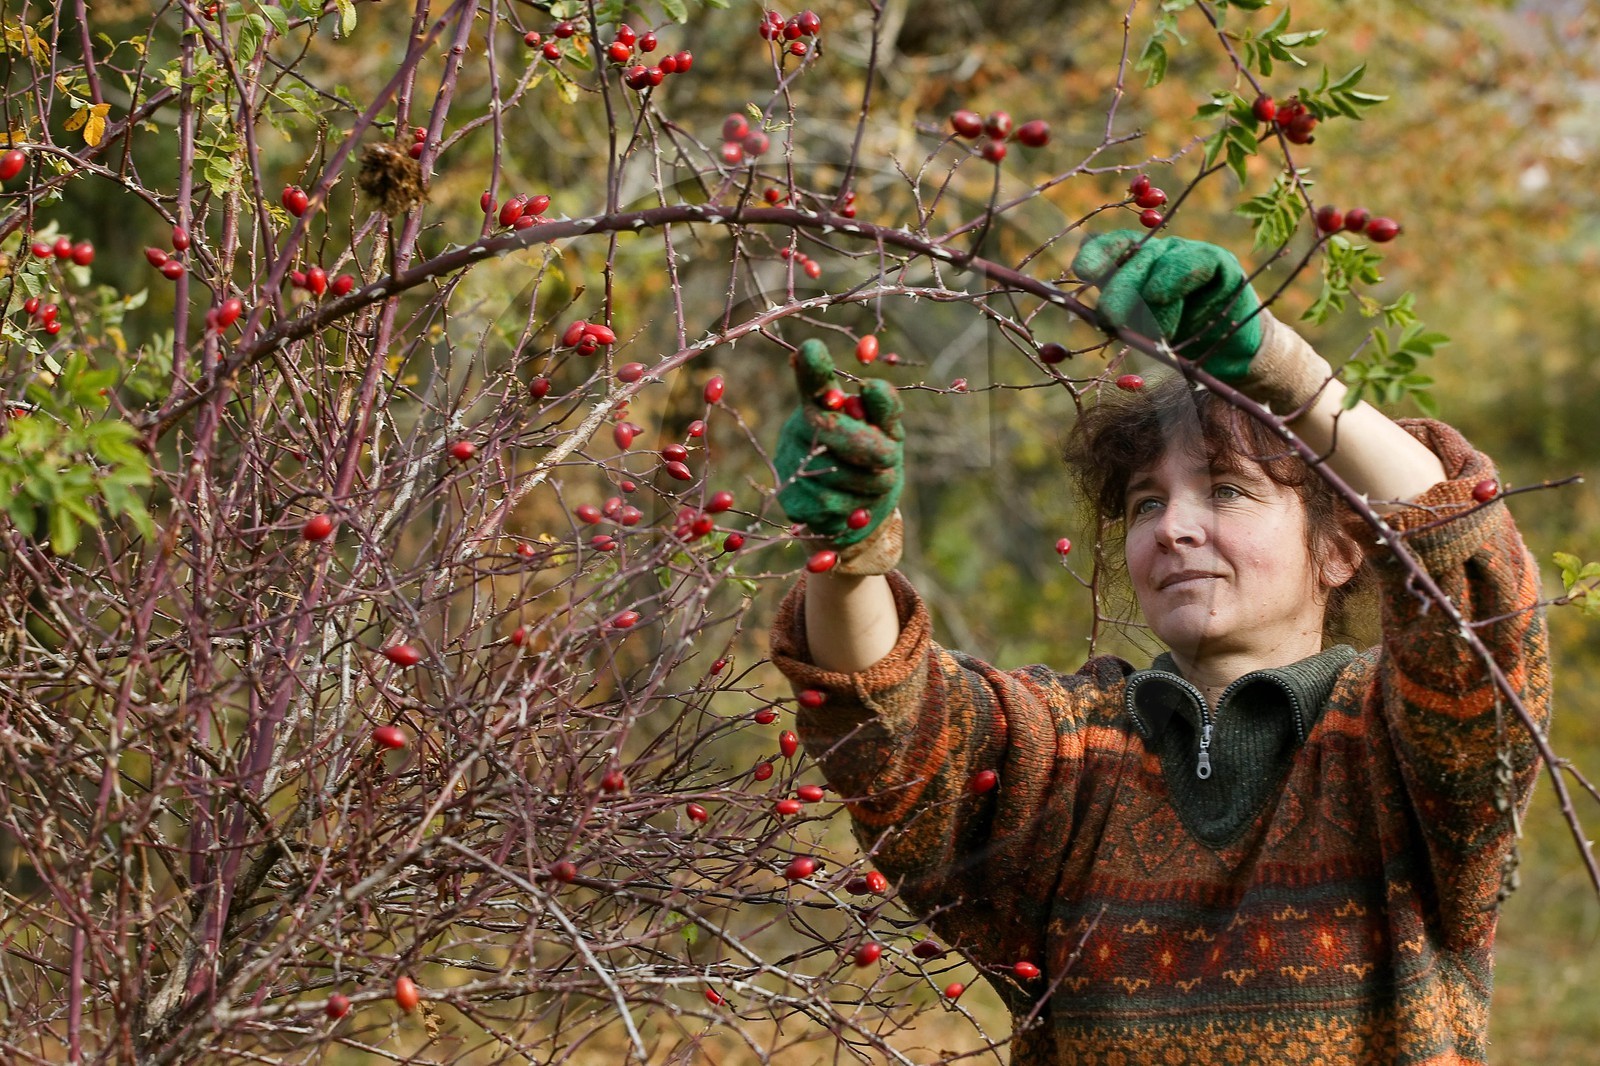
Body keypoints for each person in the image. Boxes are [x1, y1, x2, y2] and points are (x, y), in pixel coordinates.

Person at [767, 232, 1550, 1065]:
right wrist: (845, 560)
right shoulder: (1070, 754)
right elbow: (890, 730)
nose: (1173, 527)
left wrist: (1284, 369)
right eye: (1146, 504)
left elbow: (1472, 586)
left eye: (1227, 490)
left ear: (1341, 548)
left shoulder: (1399, 742)